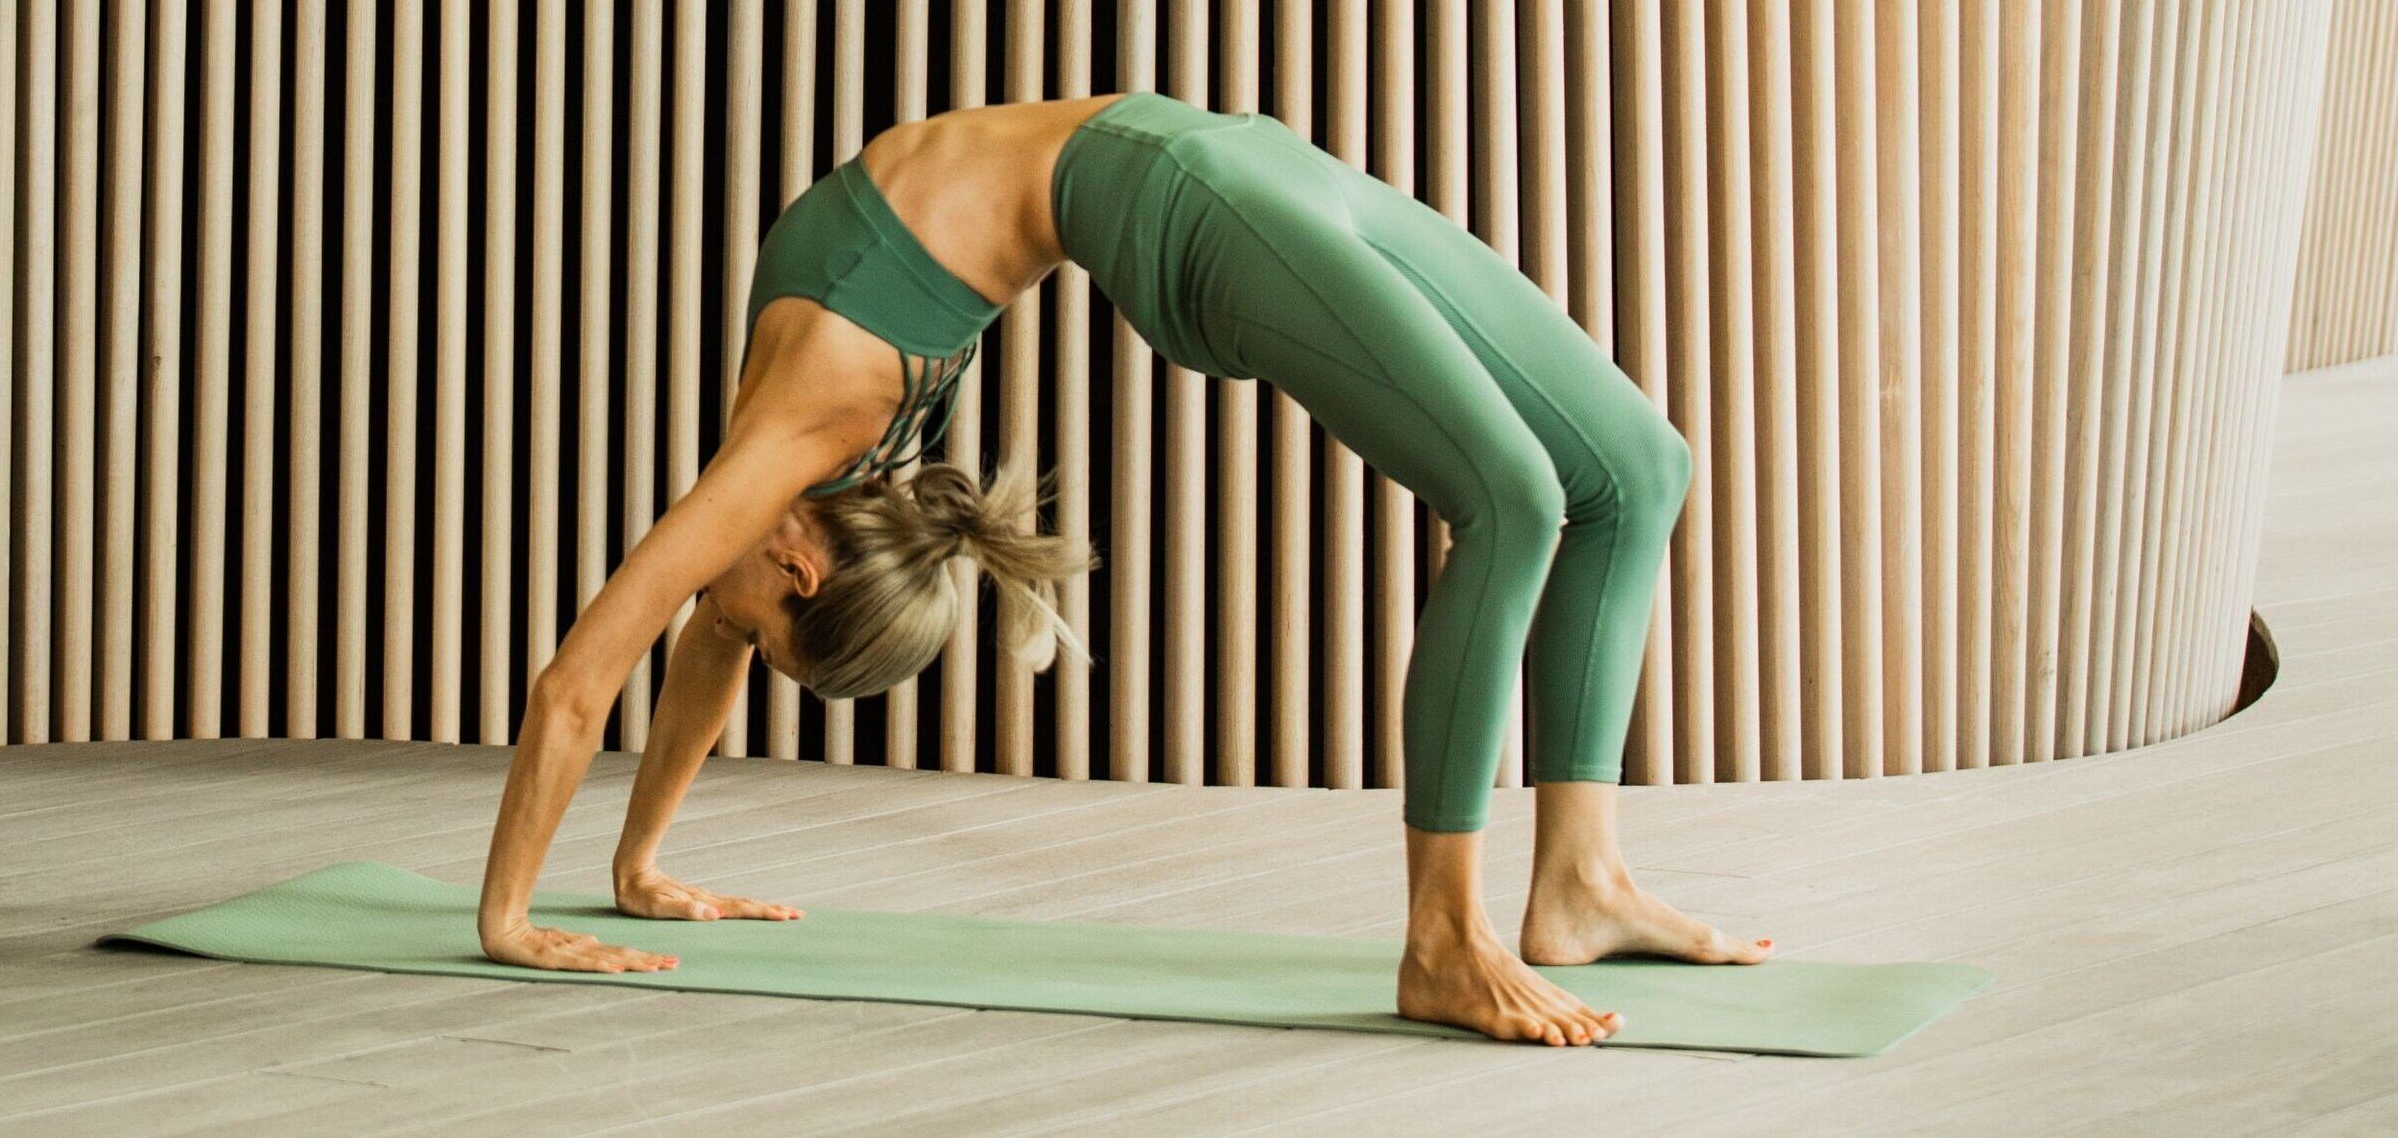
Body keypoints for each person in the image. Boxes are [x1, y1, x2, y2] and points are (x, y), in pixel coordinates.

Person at [473, 91, 1770, 1046]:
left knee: (1635, 471)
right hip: (1191, 193)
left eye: (762, 636)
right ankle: (1444, 934)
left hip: (1220, 172)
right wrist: (639, 866)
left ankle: (1574, 886)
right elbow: (705, 636)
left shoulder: (793, 444)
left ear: (801, 567)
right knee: (1516, 498)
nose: (728, 629)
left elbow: (581, 684)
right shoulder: (814, 478)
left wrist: (510, 917)